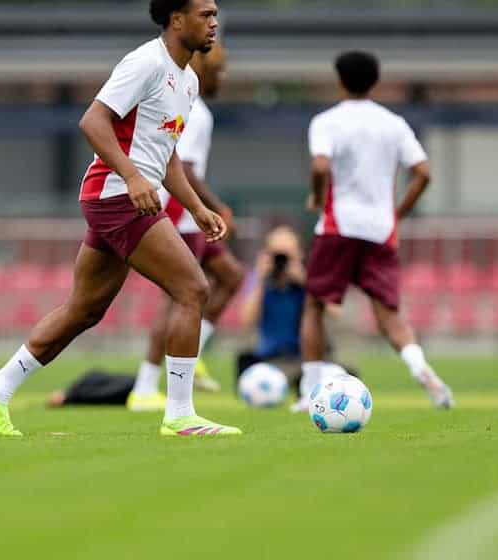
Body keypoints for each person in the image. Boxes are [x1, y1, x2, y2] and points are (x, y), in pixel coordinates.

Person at [0, 0, 242, 437]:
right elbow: (93, 121)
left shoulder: (188, 79)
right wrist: (133, 177)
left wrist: (196, 207)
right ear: (175, 19)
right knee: (193, 288)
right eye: (204, 15)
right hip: (116, 196)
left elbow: (167, 155)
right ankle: (180, 415)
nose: (214, 23)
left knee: (84, 309)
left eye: (214, 15)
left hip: (123, 197)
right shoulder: (145, 62)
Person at [296, 50, 454, 412]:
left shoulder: (327, 121)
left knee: (315, 305)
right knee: (388, 312)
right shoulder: (394, 124)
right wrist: (398, 212)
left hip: (338, 225)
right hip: (381, 230)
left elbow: (320, 166)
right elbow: (423, 173)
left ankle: (309, 390)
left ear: (339, 81)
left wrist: (317, 197)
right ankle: (421, 368)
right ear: (375, 82)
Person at [126, 40, 244, 411]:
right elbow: (184, 169)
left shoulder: (192, 102)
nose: (222, 78)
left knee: (230, 276)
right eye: (219, 70)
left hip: (186, 212)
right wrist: (214, 208)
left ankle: (196, 347)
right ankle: (145, 385)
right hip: (180, 213)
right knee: (180, 295)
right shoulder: (194, 108)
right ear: (204, 69)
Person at [236, 225, 359, 399]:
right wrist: (261, 281)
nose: (282, 261)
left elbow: (335, 311)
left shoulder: (312, 277)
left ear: (299, 254)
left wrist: (306, 281)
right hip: (273, 360)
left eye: (287, 255)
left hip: (310, 358)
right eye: (277, 255)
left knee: (347, 376)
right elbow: (246, 320)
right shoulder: (259, 281)